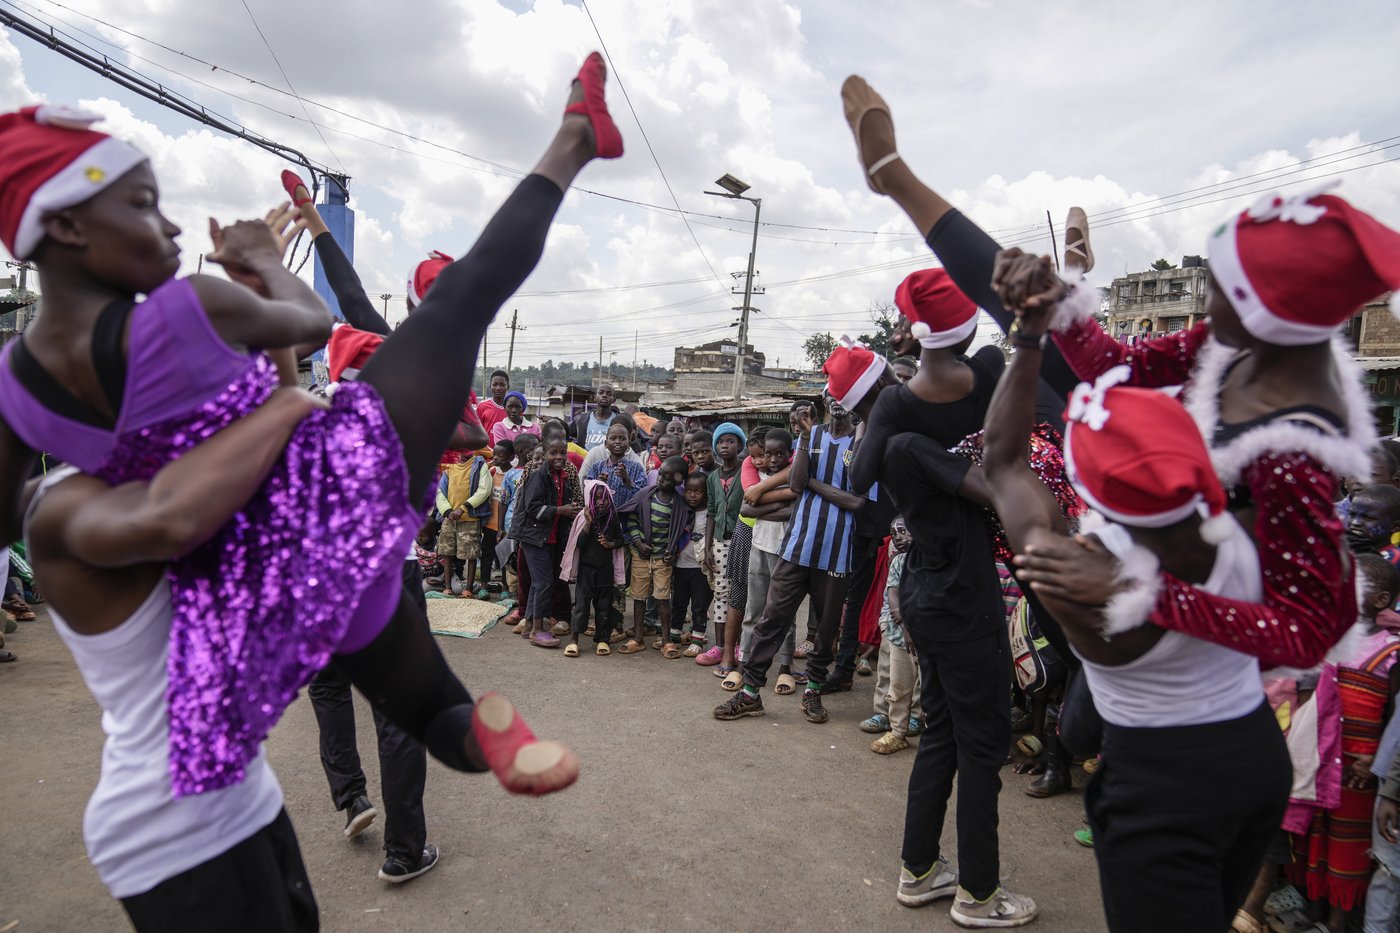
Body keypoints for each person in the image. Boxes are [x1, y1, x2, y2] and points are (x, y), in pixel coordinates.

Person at [0, 52, 623, 799]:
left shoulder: (15, 381)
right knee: (467, 297)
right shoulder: (187, 306)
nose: (167, 223)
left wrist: (103, 505)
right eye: (140, 205)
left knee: (364, 708)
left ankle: (458, 733)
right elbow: (308, 318)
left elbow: (16, 509)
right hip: (323, 493)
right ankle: (571, 141)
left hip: (228, 579)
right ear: (65, 226)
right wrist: (263, 261)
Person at [975, 251, 1305, 931]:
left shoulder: (1070, 572)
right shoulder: (1238, 527)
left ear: (1084, 486)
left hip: (1161, 779)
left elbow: (1003, 459)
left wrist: (1030, 334)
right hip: (1254, 761)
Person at [26, 388, 323, 929]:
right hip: (169, 830)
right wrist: (286, 406)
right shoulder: (69, 504)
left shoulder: (185, 472)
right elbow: (174, 523)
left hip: (246, 796)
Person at [715, 395, 863, 724]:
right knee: (772, 618)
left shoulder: (862, 441)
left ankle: (812, 689)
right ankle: (751, 692)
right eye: (832, 395)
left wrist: (813, 483)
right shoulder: (810, 436)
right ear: (825, 400)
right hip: (796, 546)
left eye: (844, 394)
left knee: (825, 627)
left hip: (837, 551)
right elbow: (795, 483)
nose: (838, 401)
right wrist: (807, 445)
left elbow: (857, 502)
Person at [1288, 553, 1400, 932]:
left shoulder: (1392, 651)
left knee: (1348, 847)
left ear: (1382, 600)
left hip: (1359, 769)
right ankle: (1312, 913)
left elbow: (1392, 718)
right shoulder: (1329, 636)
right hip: (1320, 759)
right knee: (1314, 837)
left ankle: (1338, 923)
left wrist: (1375, 761)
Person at [735, 428, 799, 695]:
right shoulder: (757, 476)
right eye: (768, 454)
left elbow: (794, 511)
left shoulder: (795, 476)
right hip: (759, 548)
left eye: (779, 454)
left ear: (789, 454)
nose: (772, 459)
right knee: (754, 610)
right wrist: (778, 508)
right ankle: (743, 665)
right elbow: (746, 509)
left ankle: (785, 669)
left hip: (786, 553)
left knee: (784, 614)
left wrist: (763, 505)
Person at [512, 435, 583, 648]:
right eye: (553, 453)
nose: (559, 457)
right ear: (544, 454)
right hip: (535, 537)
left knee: (538, 583)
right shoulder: (538, 476)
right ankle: (537, 629)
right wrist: (561, 510)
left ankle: (528, 628)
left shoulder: (561, 477)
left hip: (549, 537)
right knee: (543, 583)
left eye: (563, 453)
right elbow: (532, 508)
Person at [619, 456, 692, 656]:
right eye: (660, 475)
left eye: (668, 479)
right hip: (641, 555)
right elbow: (631, 519)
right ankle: (638, 638)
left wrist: (674, 550)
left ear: (678, 482)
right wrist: (637, 542)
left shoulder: (679, 503)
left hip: (663, 558)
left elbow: (683, 529)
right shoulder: (645, 495)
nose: (661, 480)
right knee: (639, 596)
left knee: (662, 598)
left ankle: (666, 641)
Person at [868, 516, 920, 757]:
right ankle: (897, 732)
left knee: (928, 688)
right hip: (903, 637)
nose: (899, 537)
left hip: (931, 638)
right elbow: (894, 595)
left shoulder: (937, 561)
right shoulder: (900, 562)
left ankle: (927, 729)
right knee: (898, 684)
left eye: (904, 532)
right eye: (895, 534)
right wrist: (905, 629)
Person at [559, 479, 625, 657]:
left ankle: (602, 639)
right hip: (586, 570)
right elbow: (578, 544)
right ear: (590, 499)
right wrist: (588, 523)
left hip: (605, 570)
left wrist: (610, 544)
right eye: (596, 499)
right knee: (581, 606)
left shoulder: (612, 517)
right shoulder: (583, 517)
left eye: (604, 499)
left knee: (604, 606)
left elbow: (621, 540)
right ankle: (574, 640)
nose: (600, 503)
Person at [700, 423, 746, 678]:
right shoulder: (711, 478)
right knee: (720, 593)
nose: (724, 446)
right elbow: (711, 513)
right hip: (719, 542)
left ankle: (737, 645)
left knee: (740, 594)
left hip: (743, 541)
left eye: (730, 441)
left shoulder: (746, 471)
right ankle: (719, 646)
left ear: (740, 445)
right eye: (721, 442)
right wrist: (707, 547)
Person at [435, 451, 493, 598]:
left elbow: (484, 490)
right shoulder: (449, 465)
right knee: (447, 552)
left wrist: (463, 508)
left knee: (471, 554)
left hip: (470, 519)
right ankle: (447, 587)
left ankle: (468, 589)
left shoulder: (480, 465)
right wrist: (447, 511)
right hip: (449, 518)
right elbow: (440, 491)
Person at [1370, 683, 1400, 933]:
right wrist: (1392, 791)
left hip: (1392, 783)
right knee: (1390, 873)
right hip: (1394, 783)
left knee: (1390, 876)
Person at [674, 472, 713, 655]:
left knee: (699, 605)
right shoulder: (682, 510)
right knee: (679, 603)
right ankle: (675, 636)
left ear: (706, 493)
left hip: (699, 568)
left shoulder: (709, 514)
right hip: (681, 565)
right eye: (688, 491)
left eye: (697, 491)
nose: (692, 495)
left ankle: (698, 638)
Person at [584, 418, 647, 507]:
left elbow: (642, 495)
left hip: (626, 517)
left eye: (622, 439)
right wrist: (598, 483)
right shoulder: (597, 467)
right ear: (606, 443)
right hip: (601, 516)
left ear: (629, 443)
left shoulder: (636, 468)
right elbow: (588, 492)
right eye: (613, 438)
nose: (617, 442)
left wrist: (627, 480)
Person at [480, 440, 513, 587]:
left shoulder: (514, 474)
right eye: (494, 455)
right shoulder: (491, 471)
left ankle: (505, 586)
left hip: (506, 526)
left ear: (511, 457)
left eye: (500, 456)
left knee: (504, 556)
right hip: (490, 523)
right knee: (486, 553)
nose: (495, 458)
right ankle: (484, 585)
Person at [572, 384, 618, 451]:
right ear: (595, 397)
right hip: (586, 460)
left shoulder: (619, 420)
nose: (604, 395)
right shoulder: (582, 419)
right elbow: (564, 431)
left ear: (614, 400)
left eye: (609, 394)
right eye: (601, 393)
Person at [478, 370, 512, 435]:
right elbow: (477, 432)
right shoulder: (482, 406)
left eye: (502, 385)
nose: (498, 388)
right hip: (486, 445)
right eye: (494, 384)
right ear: (490, 386)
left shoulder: (513, 408)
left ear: (508, 387)